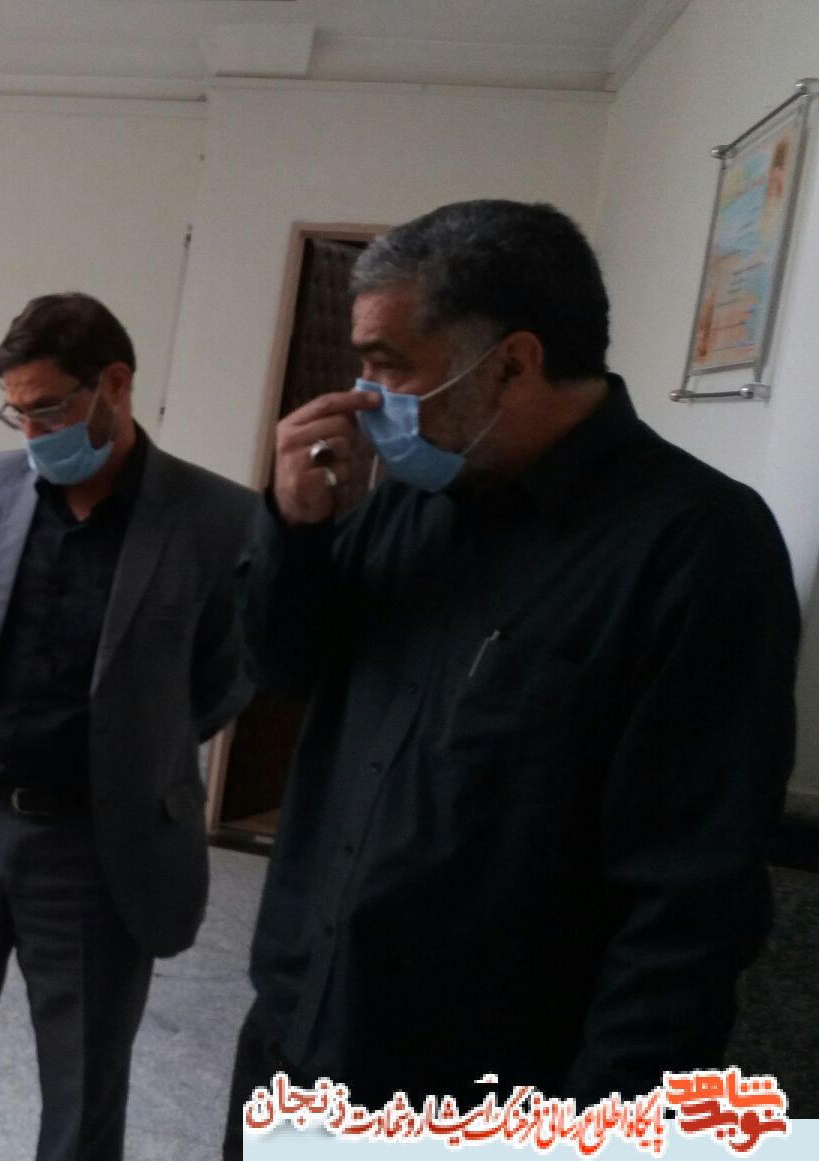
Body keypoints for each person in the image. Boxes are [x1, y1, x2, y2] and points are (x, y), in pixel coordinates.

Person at [224, 200, 799, 1157]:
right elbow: (285, 668)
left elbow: (687, 906)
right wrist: (295, 530)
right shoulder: (413, 500)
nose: (363, 396)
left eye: (389, 364)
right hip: (299, 1035)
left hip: (481, 1098)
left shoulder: (696, 548)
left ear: (512, 362)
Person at [0, 293, 258, 1161]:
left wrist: (132, 747)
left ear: (115, 385)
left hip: (99, 845)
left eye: (48, 408)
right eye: (16, 411)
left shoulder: (217, 519)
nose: (31, 431)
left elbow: (221, 681)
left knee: (83, 1089)